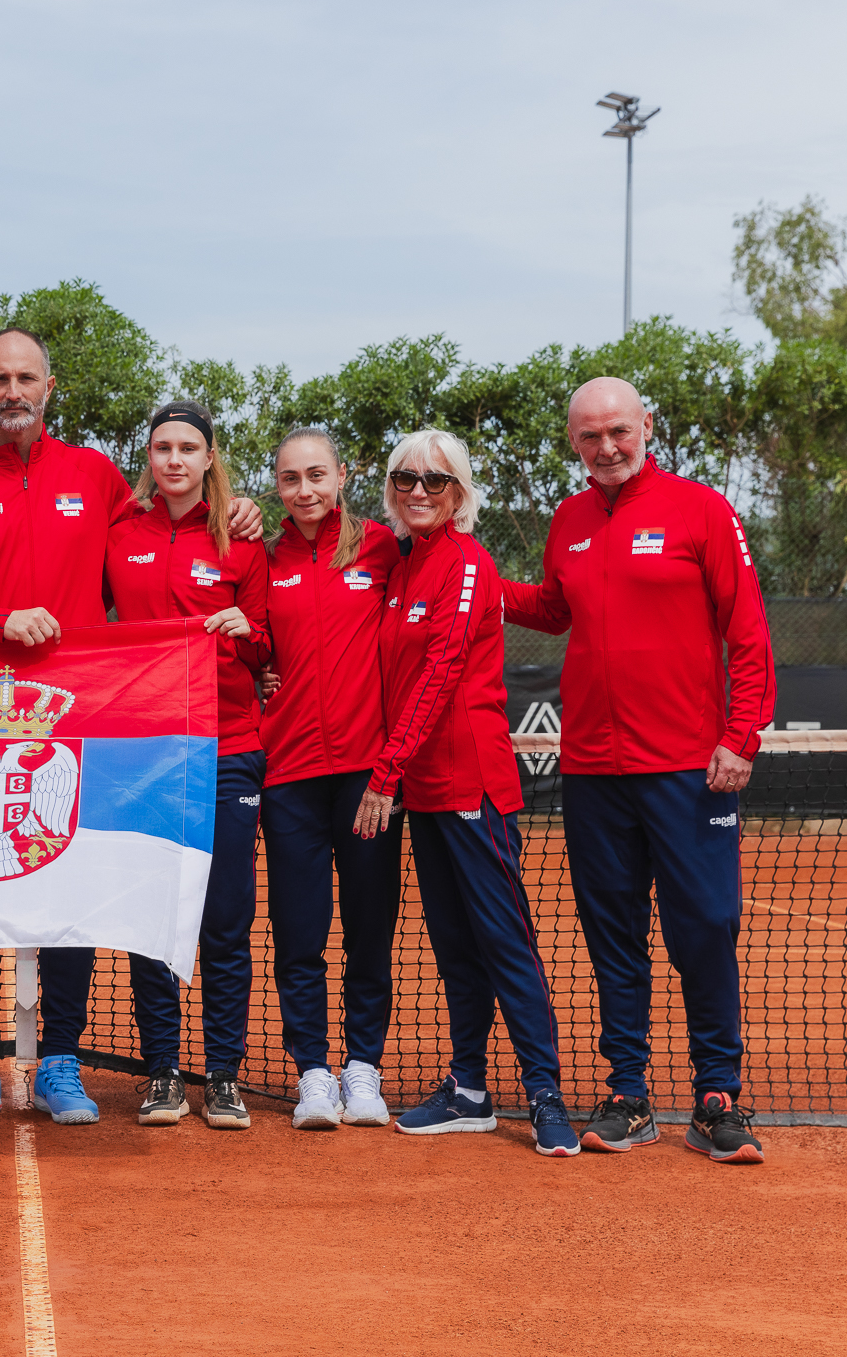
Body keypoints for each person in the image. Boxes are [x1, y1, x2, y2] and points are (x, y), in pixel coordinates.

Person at [0, 327, 261, 1126]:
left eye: (26, 378)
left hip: (76, 719)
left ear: (49, 388)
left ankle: (61, 1059)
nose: (13, 391)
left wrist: (236, 507)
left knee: (69, 879)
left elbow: (170, 526)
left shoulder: (94, 476)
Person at [502, 377, 773, 1165]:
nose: (607, 447)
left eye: (619, 430)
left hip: (690, 768)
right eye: (590, 436)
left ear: (646, 426)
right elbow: (555, 608)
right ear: (574, 442)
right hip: (593, 769)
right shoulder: (570, 519)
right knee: (613, 935)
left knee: (707, 926)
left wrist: (741, 736)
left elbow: (748, 632)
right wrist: (477, 576)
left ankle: (717, 1095)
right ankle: (628, 1092)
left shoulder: (702, 510)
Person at [356, 429, 580, 1158]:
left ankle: (545, 1096)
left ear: (459, 492)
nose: (419, 491)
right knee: (455, 947)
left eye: (436, 480)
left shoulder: (466, 561)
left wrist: (384, 772)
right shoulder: (401, 567)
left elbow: (443, 669)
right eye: (405, 478)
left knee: (505, 944)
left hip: (471, 787)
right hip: (424, 793)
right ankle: (470, 1091)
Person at [105, 401, 270, 1131]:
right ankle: (162, 1072)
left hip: (228, 749)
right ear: (149, 458)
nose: (174, 459)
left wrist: (246, 631)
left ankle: (223, 1075)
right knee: (153, 918)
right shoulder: (119, 534)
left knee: (225, 920)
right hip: (144, 753)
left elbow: (268, 648)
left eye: (188, 448)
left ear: (209, 458)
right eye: (162, 447)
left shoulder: (242, 540)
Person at [257, 427, 405, 1131]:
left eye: (317, 474)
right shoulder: (263, 558)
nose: (305, 489)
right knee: (299, 932)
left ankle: (363, 1067)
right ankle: (313, 1072)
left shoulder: (382, 548)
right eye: (291, 478)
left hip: (367, 778)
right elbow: (256, 645)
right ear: (277, 486)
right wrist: (260, 667)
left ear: (342, 475)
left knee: (370, 928)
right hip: (288, 774)